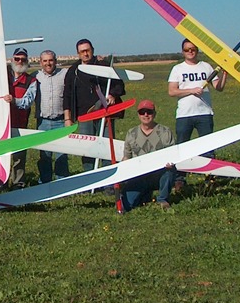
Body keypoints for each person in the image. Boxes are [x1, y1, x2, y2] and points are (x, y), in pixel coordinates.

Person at [168, 38, 226, 192]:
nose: (190, 52)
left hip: (204, 113)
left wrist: (225, 73)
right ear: (182, 52)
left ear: (197, 50)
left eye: (193, 49)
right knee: (182, 148)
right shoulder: (177, 69)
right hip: (184, 115)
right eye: (187, 49)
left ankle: (209, 178)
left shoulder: (206, 66)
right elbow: (172, 91)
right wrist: (191, 90)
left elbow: (218, 87)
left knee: (208, 148)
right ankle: (179, 180)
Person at [0, 44, 36, 188]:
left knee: (18, 157)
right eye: (17, 58)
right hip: (1, 122)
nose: (20, 61)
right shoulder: (2, 75)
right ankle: (1, 182)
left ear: (27, 61)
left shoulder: (31, 81)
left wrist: (14, 101)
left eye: (23, 59)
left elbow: (28, 101)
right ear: (12, 59)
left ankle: (18, 183)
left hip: (19, 124)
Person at [63, 38, 124, 170]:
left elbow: (119, 84)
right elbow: (67, 95)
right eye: (82, 51)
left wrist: (113, 94)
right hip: (84, 116)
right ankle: (89, 175)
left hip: (104, 113)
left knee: (107, 146)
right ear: (78, 53)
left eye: (88, 50)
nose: (85, 54)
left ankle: (109, 174)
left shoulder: (104, 66)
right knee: (87, 148)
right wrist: (68, 118)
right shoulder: (73, 71)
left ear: (93, 50)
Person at [119, 100, 176, 212]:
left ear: (154, 114)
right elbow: (126, 157)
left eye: (149, 112)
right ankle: (144, 194)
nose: (146, 115)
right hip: (139, 174)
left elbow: (172, 154)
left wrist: (170, 163)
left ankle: (162, 199)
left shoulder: (165, 131)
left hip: (158, 174)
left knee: (170, 171)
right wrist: (120, 175)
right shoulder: (131, 133)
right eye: (142, 112)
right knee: (127, 205)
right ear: (138, 115)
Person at [34, 50, 69, 183]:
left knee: (62, 155)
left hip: (61, 121)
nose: (48, 63)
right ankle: (45, 182)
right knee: (44, 155)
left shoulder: (64, 74)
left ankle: (62, 182)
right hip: (43, 122)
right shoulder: (35, 76)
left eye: (50, 60)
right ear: (40, 62)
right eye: (45, 61)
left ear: (55, 61)